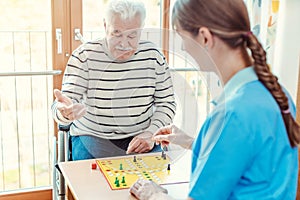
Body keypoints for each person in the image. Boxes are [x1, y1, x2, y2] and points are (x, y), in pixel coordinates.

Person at [130, 0, 300, 199]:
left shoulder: (232, 114)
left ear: (204, 37)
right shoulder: (278, 94)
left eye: (183, 38)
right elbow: (249, 159)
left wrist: (153, 195)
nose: (183, 48)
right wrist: (194, 142)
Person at [51, 0, 176, 160]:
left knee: (155, 182)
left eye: (132, 35)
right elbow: (62, 105)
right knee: (92, 183)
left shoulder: (153, 56)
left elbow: (167, 103)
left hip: (141, 136)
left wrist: (151, 132)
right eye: (117, 33)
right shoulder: (85, 56)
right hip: (92, 136)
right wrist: (65, 113)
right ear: (105, 26)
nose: (124, 43)